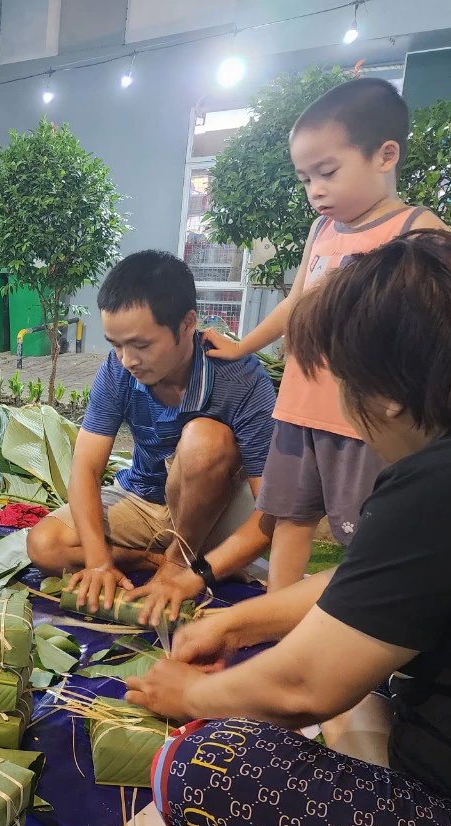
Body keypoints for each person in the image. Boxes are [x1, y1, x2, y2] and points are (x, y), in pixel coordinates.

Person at [131, 233, 451, 826]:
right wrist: (238, 624)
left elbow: (306, 686)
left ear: (389, 396)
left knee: (203, 768)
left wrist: (188, 696)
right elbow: (379, 583)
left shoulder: (450, 479)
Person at [204, 78, 449, 590]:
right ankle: (278, 625)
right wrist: (243, 345)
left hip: (366, 420)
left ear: (385, 156)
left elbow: (437, 333)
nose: (315, 189)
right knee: (289, 519)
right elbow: (297, 305)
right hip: (299, 408)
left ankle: (359, 636)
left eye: (328, 172)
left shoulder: (418, 233)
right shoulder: (323, 231)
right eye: (304, 178)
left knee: (368, 534)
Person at [26, 250, 277, 624]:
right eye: (116, 344)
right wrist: (97, 563)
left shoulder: (239, 379)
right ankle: (156, 559)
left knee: (204, 439)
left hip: (216, 510)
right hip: (144, 499)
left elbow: (272, 512)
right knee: (44, 545)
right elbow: (86, 468)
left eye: (141, 345)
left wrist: (194, 574)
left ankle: (182, 562)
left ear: (188, 323)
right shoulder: (118, 369)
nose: (127, 360)